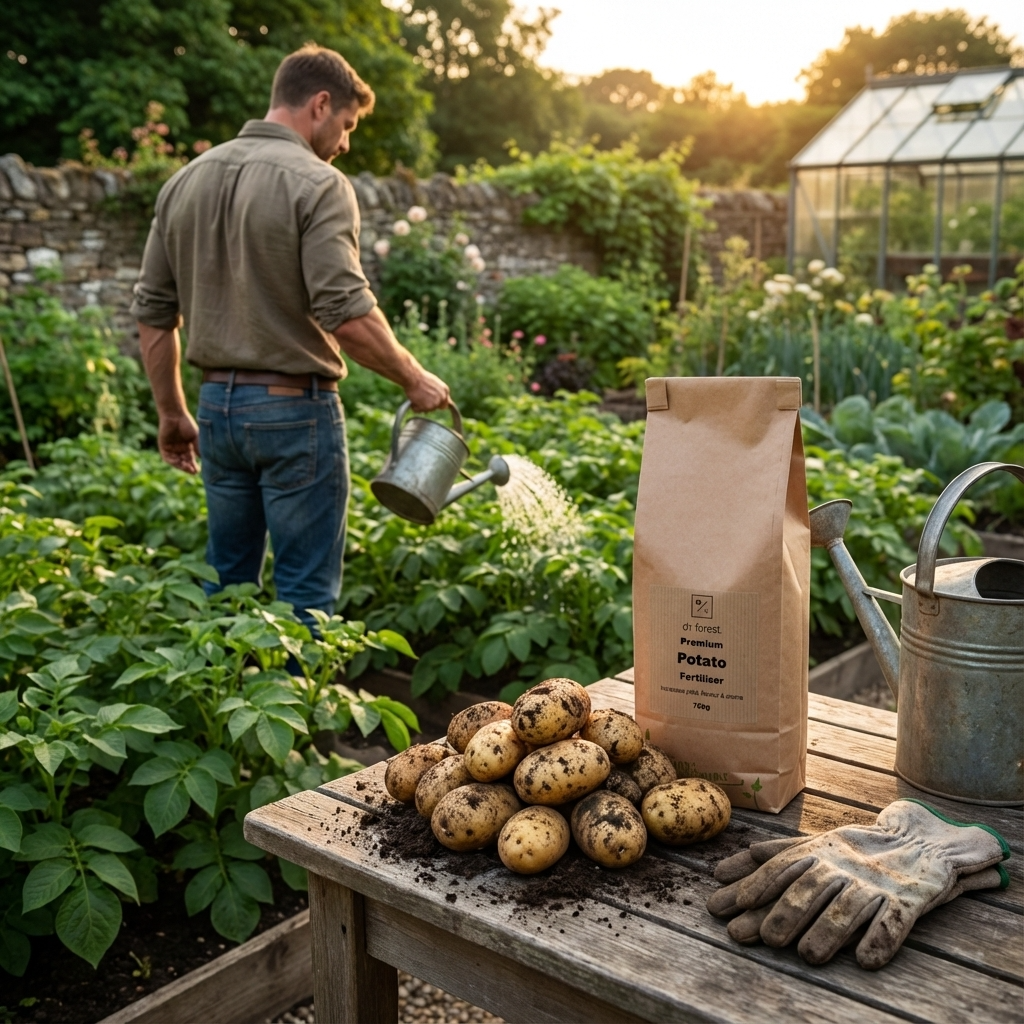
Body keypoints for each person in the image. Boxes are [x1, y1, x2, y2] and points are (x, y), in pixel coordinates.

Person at [130, 45, 449, 625]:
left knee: (227, 586)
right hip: (293, 414)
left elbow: (153, 316)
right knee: (304, 598)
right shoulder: (320, 183)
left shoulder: (183, 182)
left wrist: (172, 413)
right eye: (347, 126)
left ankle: (223, 708)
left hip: (216, 412)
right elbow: (346, 313)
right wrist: (415, 378)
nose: (346, 143)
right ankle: (300, 712)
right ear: (320, 104)